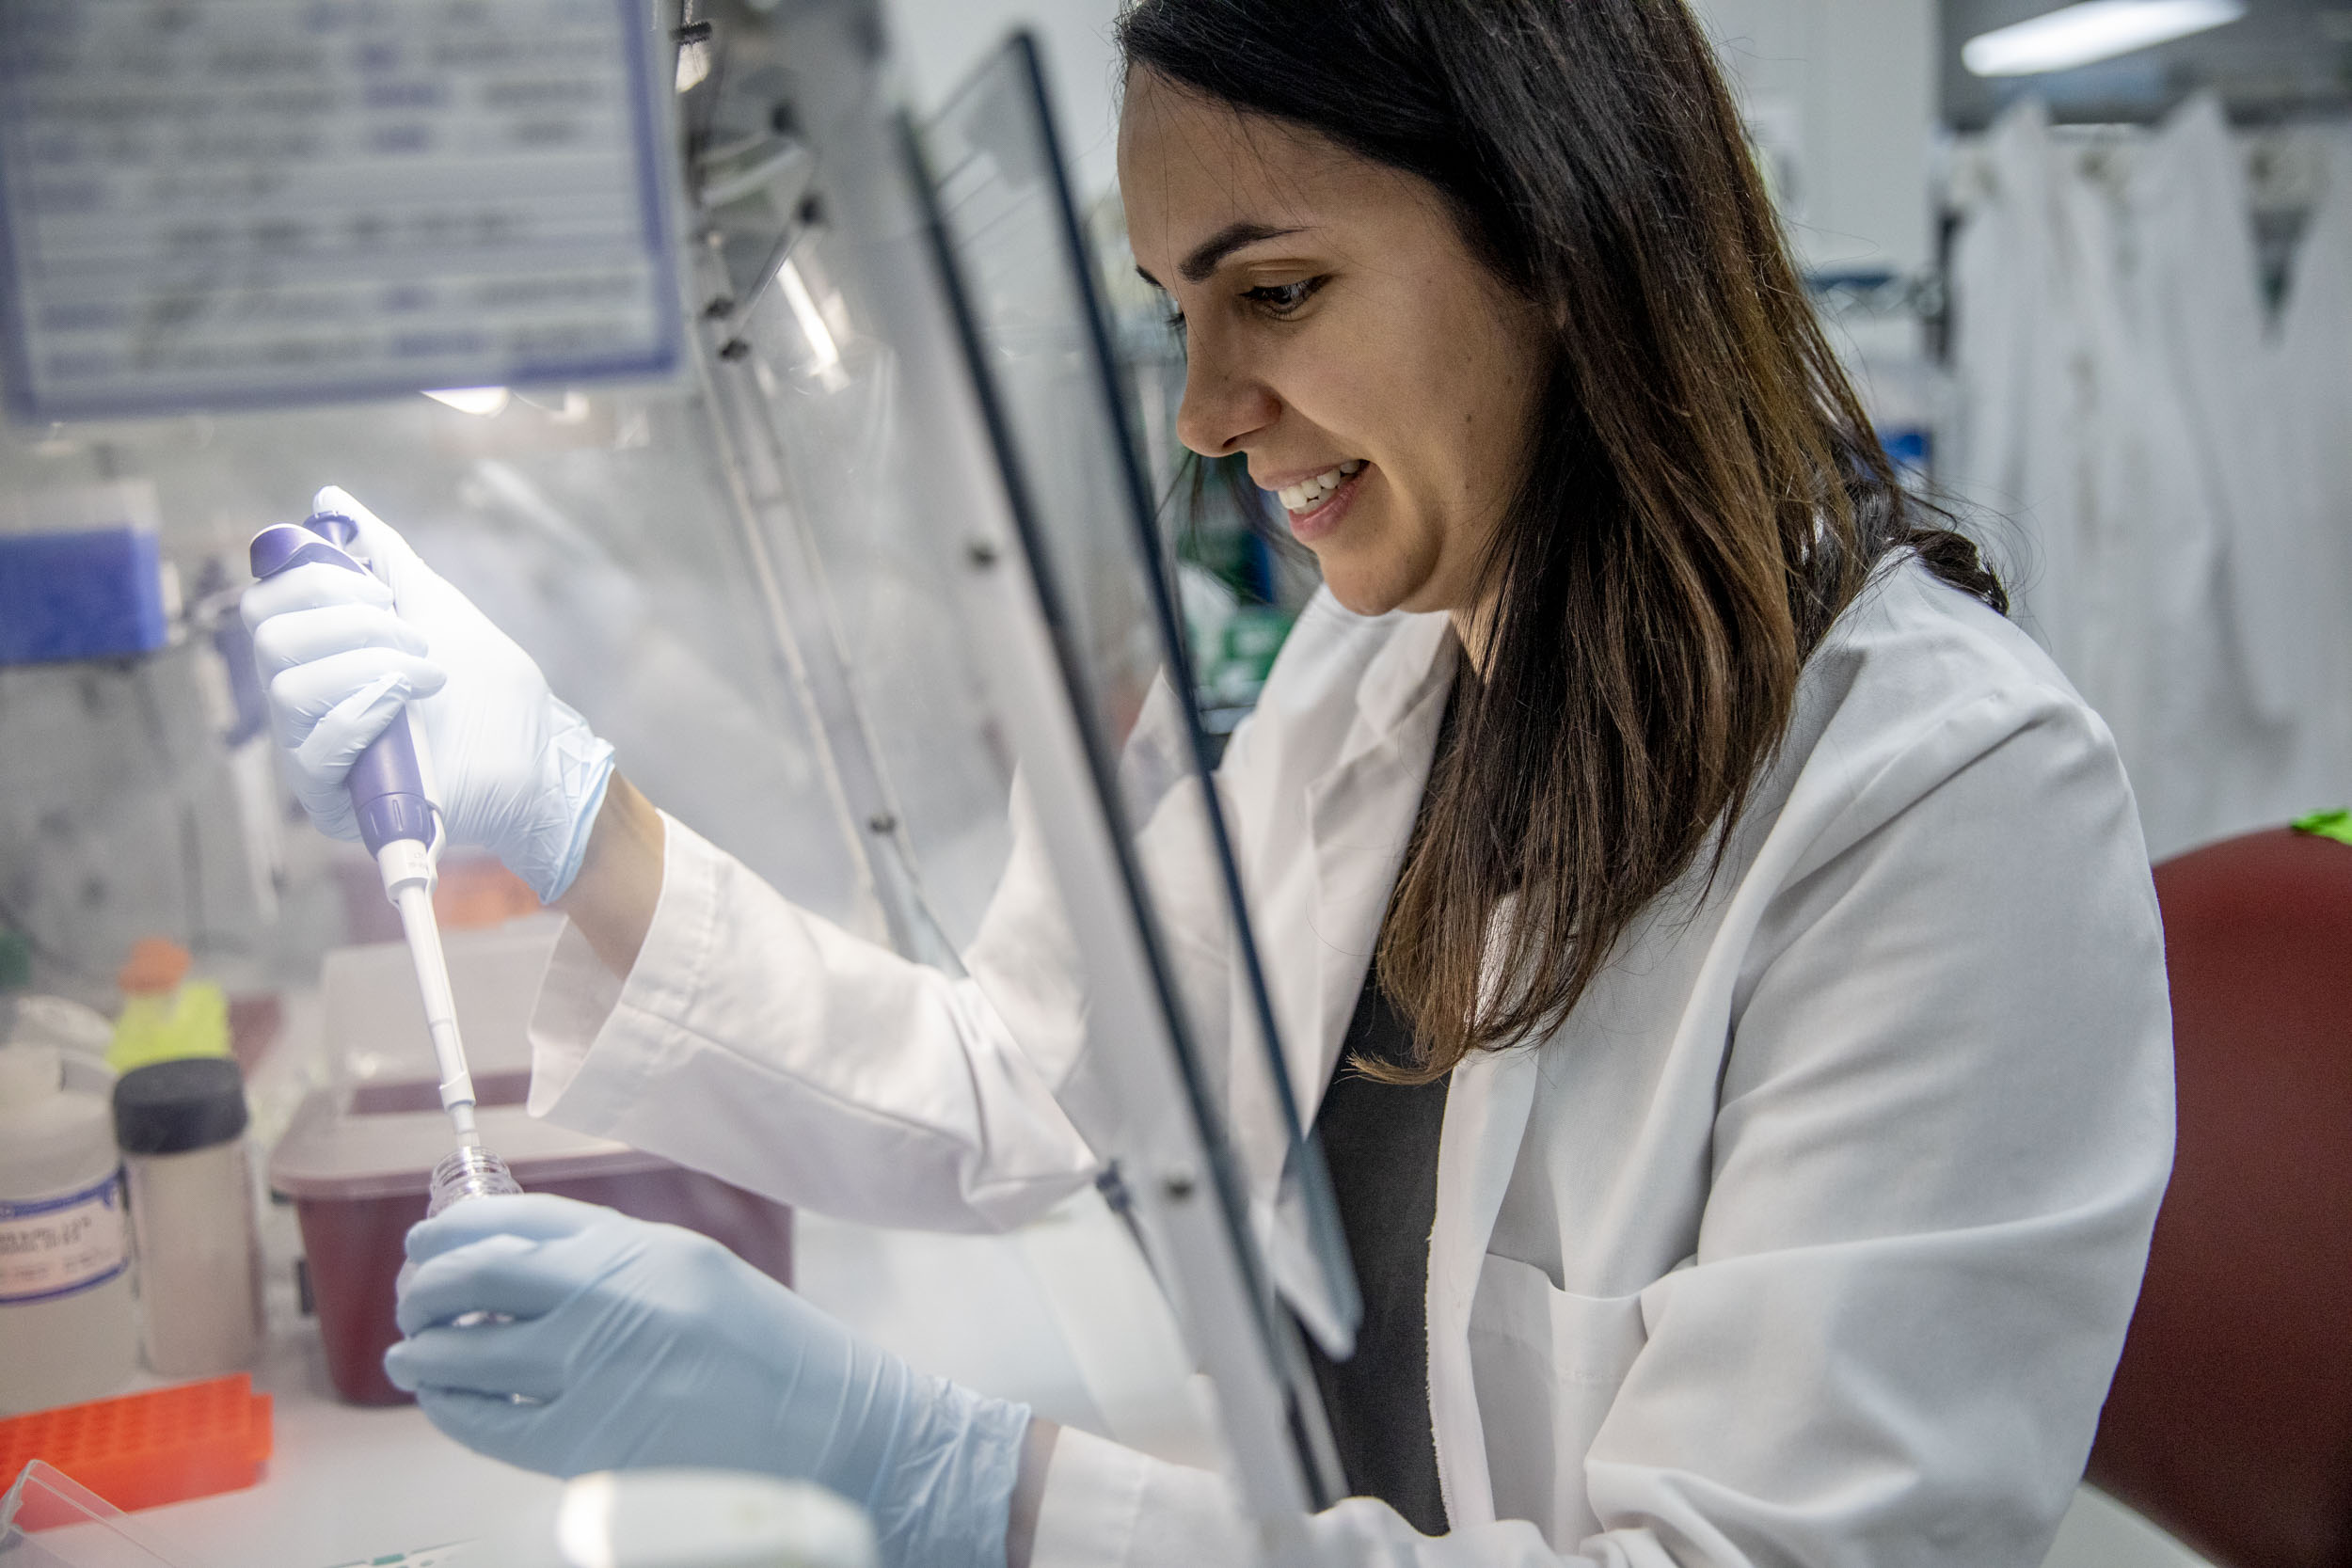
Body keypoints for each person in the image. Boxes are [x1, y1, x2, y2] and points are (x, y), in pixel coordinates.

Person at [241, 1, 2174, 1564]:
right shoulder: (1393, 661)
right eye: (1176, 306)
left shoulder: (1942, 817)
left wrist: (940, 1477)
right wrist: (580, 819)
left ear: (1562, 239)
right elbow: (1030, 1078)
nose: (1197, 410)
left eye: (1277, 292)